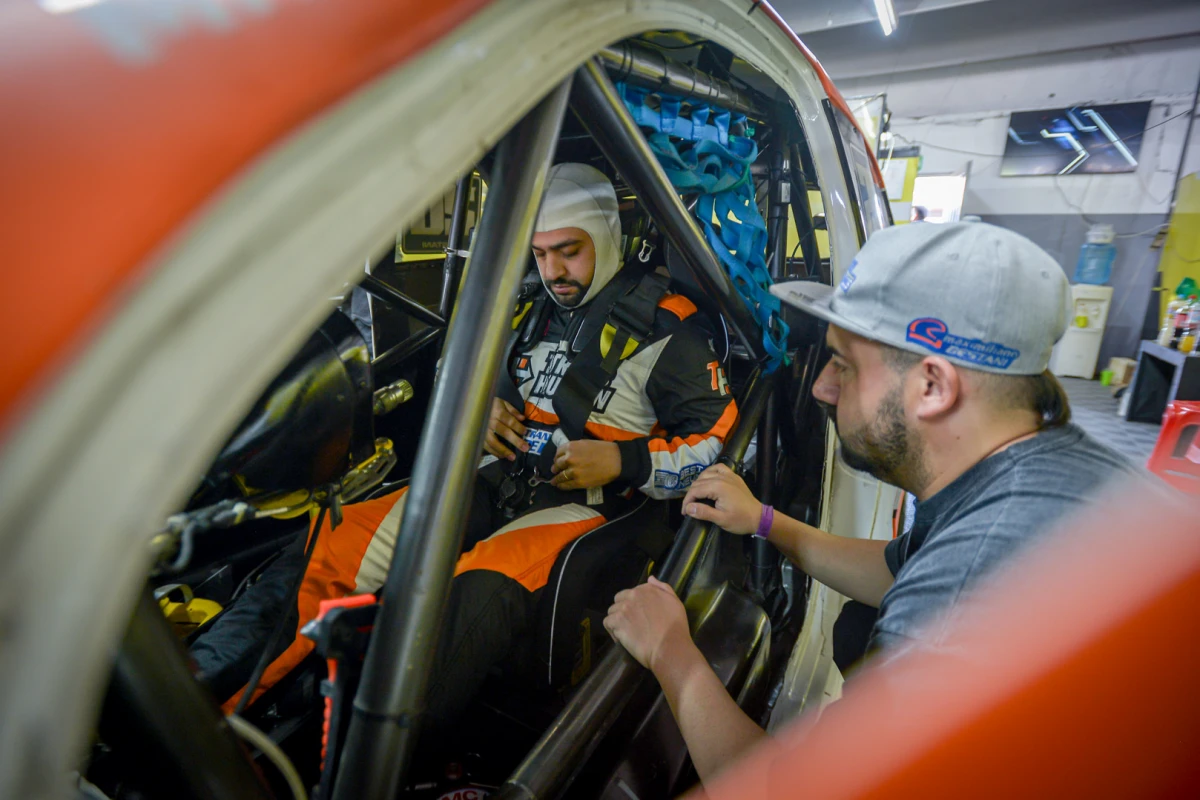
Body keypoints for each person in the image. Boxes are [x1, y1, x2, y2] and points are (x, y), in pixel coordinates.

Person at [191, 163, 736, 733]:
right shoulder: (525, 306)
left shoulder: (670, 328)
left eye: (570, 251)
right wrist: (479, 416)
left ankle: (339, 757)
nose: (554, 270)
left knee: (475, 590)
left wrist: (625, 459)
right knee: (336, 541)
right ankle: (191, 708)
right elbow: (464, 383)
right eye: (541, 253)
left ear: (605, 234)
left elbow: (715, 447)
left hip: (590, 504)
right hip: (492, 475)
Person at [603, 221, 1138, 783]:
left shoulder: (956, 602)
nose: (821, 388)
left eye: (845, 365)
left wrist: (671, 653)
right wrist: (765, 521)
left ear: (933, 387)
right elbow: (900, 570)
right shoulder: (1046, 472)